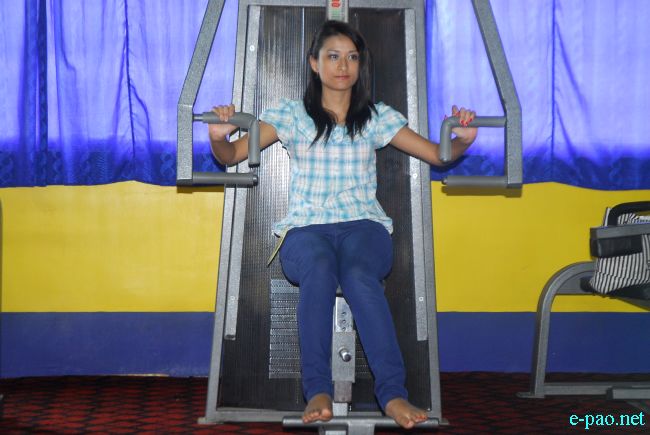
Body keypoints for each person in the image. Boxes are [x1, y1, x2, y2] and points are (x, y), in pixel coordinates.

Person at [208, 20, 477, 429]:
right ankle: (317, 389)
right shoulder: (292, 116)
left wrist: (462, 140)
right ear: (314, 63)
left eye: (351, 57)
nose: (343, 66)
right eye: (333, 56)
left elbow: (439, 155)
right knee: (318, 269)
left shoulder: (374, 117)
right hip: (306, 231)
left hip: (363, 228)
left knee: (358, 274)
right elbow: (231, 155)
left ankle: (393, 394)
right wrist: (218, 136)